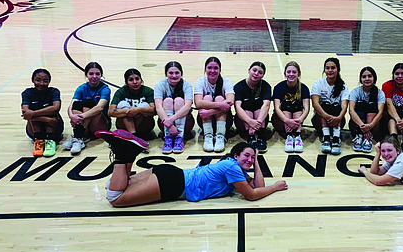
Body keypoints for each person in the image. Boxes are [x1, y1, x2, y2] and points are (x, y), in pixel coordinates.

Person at [95, 129, 288, 207]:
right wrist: (275, 187)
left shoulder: (232, 168)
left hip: (171, 174)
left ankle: (129, 152)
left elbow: (256, 184)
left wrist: (256, 162)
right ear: (235, 155)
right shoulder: (232, 168)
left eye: (252, 157)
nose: (250, 159)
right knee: (116, 198)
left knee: (121, 183)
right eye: (246, 155)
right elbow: (253, 195)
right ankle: (123, 153)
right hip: (176, 184)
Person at [62, 62, 111, 155]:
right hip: (85, 125)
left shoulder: (105, 89)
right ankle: (78, 138)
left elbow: (99, 108)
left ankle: (77, 136)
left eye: (97, 74)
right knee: (77, 104)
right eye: (91, 73)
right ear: (86, 75)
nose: (94, 76)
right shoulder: (82, 88)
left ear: (101, 75)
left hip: (100, 126)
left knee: (89, 102)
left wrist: (80, 117)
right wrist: (72, 116)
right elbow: (71, 105)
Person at [194, 57, 234, 153]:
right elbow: (198, 103)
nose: (212, 71)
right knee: (207, 98)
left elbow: (230, 100)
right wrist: (220, 105)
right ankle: (208, 136)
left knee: (220, 98)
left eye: (216, 68)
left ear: (220, 69)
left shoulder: (226, 81)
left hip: (225, 121)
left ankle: (220, 136)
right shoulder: (200, 82)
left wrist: (210, 111)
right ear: (205, 69)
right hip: (204, 119)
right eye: (209, 68)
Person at [154, 61, 195, 154]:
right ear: (166, 74)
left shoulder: (186, 85)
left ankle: (179, 138)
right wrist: (170, 126)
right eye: (171, 73)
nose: (174, 75)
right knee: (167, 101)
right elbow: (158, 107)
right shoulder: (160, 85)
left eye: (177, 73)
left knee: (179, 100)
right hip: (165, 125)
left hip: (185, 124)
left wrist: (171, 120)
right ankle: (168, 138)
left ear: (181, 73)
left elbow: (188, 106)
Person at [311, 57, 349, 155]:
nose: (330, 70)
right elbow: (315, 104)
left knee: (336, 105)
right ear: (324, 70)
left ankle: (336, 138)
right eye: (328, 68)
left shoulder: (343, 86)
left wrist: (339, 117)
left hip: (338, 120)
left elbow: (344, 106)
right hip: (320, 120)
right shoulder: (318, 84)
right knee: (325, 104)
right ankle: (326, 137)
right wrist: (327, 116)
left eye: (333, 68)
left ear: (338, 69)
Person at [21, 68, 62, 157]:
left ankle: (50, 141)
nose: (41, 84)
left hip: (54, 128)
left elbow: (56, 108)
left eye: (45, 81)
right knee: (34, 110)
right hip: (35, 129)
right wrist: (46, 119)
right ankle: (39, 141)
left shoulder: (54, 91)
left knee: (50, 111)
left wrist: (33, 114)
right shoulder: (27, 93)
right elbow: (26, 113)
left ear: (49, 82)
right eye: (38, 80)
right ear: (32, 80)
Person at [272, 61, 310, 153]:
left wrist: (300, 120)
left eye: (294, 72)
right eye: (289, 72)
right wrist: (287, 120)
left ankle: (297, 137)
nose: (291, 74)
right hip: (282, 119)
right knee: (285, 109)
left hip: (297, 120)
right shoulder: (278, 87)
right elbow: (277, 108)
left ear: (299, 74)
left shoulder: (304, 88)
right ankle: (289, 137)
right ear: (285, 73)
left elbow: (307, 108)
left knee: (298, 111)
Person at [234, 61, 272, 153]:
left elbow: (266, 105)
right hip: (244, 121)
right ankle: (250, 137)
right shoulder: (239, 87)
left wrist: (257, 123)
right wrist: (250, 122)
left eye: (260, 73)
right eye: (254, 70)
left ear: (263, 75)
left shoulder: (265, 86)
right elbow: (237, 107)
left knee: (260, 109)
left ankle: (261, 136)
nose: (256, 74)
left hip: (260, 121)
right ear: (249, 70)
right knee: (247, 110)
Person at [108, 68, 156, 141]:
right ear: (126, 82)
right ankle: (134, 136)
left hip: (144, 126)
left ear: (141, 80)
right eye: (131, 80)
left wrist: (138, 110)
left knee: (144, 105)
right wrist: (128, 112)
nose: (135, 82)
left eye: (137, 79)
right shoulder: (121, 92)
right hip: (125, 125)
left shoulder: (148, 91)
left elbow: (154, 110)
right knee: (122, 104)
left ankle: (133, 138)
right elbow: (110, 112)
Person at [348, 66, 385, 153]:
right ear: (360, 79)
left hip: (373, 127)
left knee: (372, 107)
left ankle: (367, 138)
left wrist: (370, 126)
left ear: (374, 78)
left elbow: (380, 113)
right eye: (364, 77)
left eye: (370, 76)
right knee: (361, 105)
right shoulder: (355, 92)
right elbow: (351, 111)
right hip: (356, 126)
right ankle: (359, 136)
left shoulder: (380, 93)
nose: (367, 79)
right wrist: (362, 126)